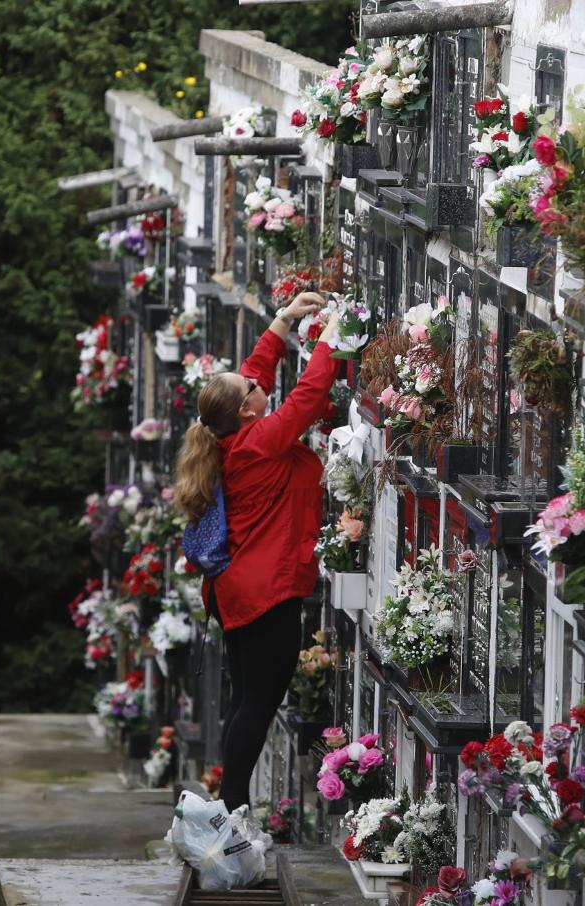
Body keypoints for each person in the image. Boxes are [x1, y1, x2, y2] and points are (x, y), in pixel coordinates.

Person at [173, 293, 341, 815]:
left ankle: (231, 804)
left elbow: (247, 377)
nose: (254, 380)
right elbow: (308, 396)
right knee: (259, 702)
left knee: (246, 697)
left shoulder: (230, 435)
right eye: (250, 389)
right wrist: (334, 334)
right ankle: (232, 809)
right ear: (248, 408)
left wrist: (283, 322)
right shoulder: (260, 441)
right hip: (264, 594)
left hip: (236, 592)